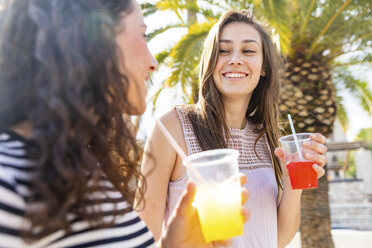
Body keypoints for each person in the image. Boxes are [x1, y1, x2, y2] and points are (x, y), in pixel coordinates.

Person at [0, 1, 248, 247]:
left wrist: (172, 245)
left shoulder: (85, 169)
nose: (153, 61)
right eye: (142, 34)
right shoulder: (7, 181)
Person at [138, 10, 328, 248]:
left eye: (248, 50)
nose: (235, 59)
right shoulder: (172, 128)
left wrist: (292, 184)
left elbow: (275, 239)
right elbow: (144, 234)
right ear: (209, 62)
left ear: (264, 67)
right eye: (223, 51)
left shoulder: (267, 138)